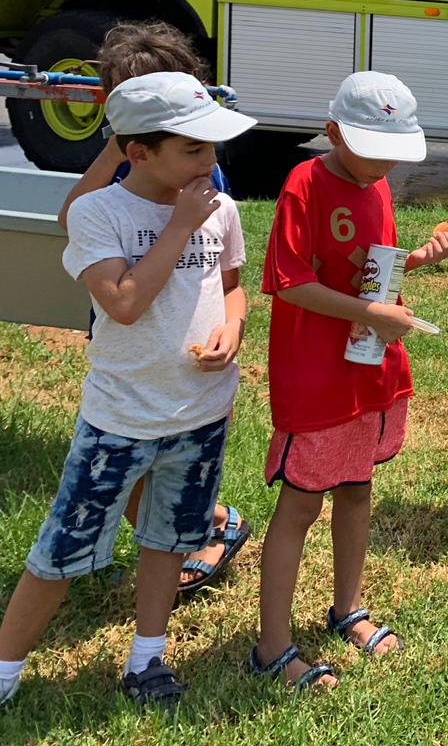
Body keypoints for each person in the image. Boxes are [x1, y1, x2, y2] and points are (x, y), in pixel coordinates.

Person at [0, 72, 256, 709]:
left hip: (201, 414)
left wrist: (233, 327)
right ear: (138, 151)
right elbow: (123, 303)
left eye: (212, 146)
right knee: (63, 548)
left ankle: (147, 658)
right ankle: (6, 669)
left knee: (168, 541)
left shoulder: (220, 210)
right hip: (121, 421)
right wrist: (179, 227)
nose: (209, 161)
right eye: (193, 149)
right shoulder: (98, 213)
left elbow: (231, 286)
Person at [251, 73, 448, 692]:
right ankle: (272, 645)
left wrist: (413, 260)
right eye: (374, 150)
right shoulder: (305, 183)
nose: (386, 164)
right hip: (317, 376)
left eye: (394, 151)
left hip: (368, 369)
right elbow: (289, 281)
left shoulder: (379, 185)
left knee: (358, 490)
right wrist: (370, 312)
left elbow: (371, 271)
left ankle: (348, 608)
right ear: (334, 132)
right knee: (300, 505)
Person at [57, 20, 250, 598]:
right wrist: (113, 149)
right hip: (122, 301)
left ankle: (197, 531)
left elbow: (224, 272)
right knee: (130, 442)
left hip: (179, 323)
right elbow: (73, 216)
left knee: (171, 448)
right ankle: (192, 528)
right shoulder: (129, 153)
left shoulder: (192, 163)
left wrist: (232, 323)